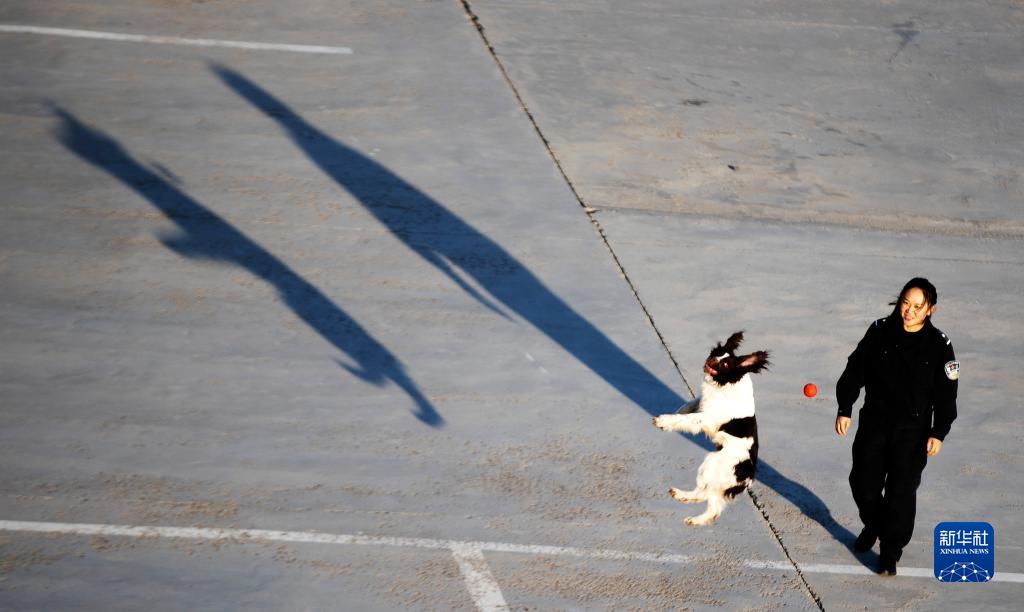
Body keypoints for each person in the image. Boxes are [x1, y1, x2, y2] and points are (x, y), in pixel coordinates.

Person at [834, 277, 958, 576]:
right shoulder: (879, 331)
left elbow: (947, 393)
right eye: (906, 303)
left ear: (930, 309)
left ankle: (890, 552)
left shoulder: (939, 345)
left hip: (912, 432)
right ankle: (874, 524)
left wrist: (939, 431)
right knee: (863, 484)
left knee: (900, 494)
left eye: (918, 306)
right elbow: (855, 369)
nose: (909, 311)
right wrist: (845, 408)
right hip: (874, 424)